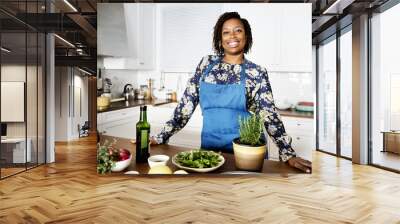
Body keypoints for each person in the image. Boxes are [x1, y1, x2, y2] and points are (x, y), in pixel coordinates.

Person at [150, 12, 311, 173]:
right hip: (210, 149)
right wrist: (161, 136)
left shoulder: (257, 72)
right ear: (220, 40)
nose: (232, 36)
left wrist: (288, 153)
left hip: (248, 151)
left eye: (238, 30)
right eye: (226, 32)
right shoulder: (206, 65)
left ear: (246, 36)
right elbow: (185, 107)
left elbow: (269, 115)